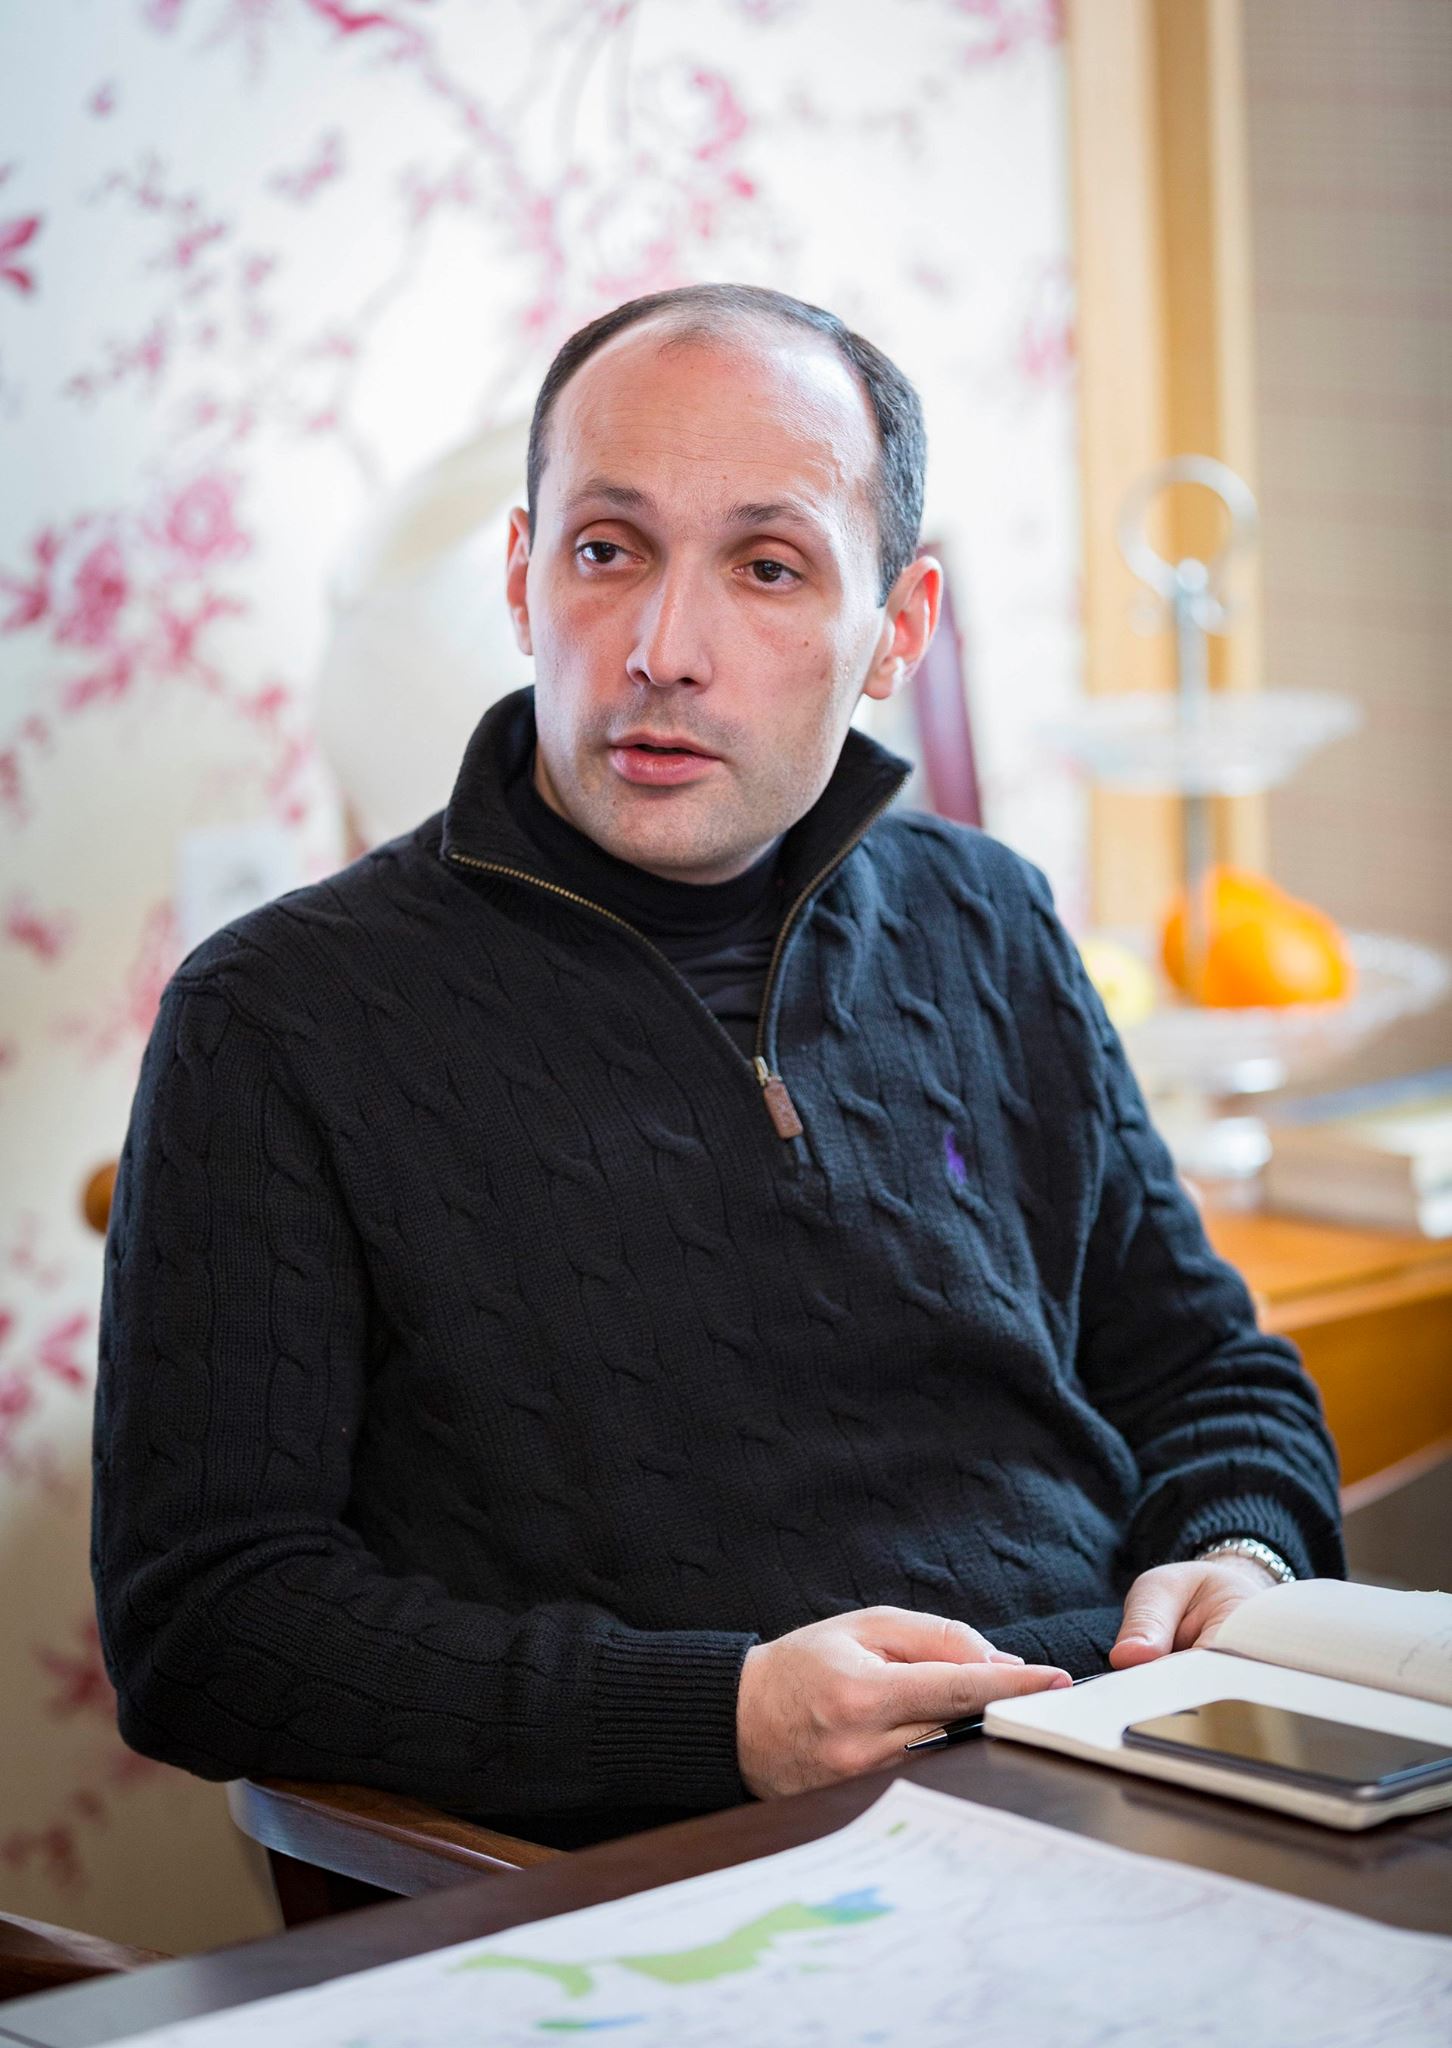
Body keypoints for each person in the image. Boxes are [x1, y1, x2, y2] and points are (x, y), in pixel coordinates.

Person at [93, 284, 1344, 1849]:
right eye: (607, 551)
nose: (663, 651)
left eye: (767, 567)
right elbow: (206, 1623)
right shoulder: (276, 1017)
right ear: (521, 575)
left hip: (1132, 1774)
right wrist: (720, 1718)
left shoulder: (991, 917)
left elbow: (1207, 1371)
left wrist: (1242, 1553)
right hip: (704, 1875)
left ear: (898, 630)